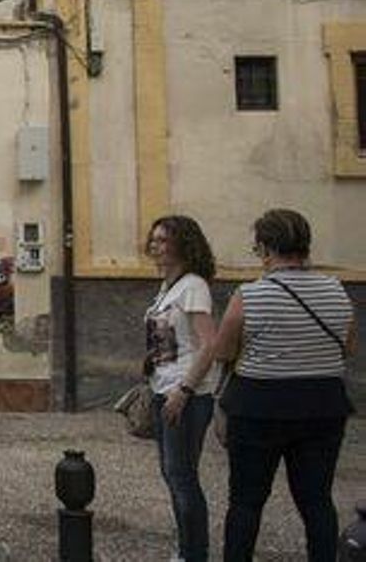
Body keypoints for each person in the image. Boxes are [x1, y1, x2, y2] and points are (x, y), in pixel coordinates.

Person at [178, 208, 356, 562]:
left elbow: (224, 350)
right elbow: (348, 347)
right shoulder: (336, 290)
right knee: (317, 500)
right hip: (323, 405)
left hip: (259, 407)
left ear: (265, 248)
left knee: (246, 501)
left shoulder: (251, 295)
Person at [137, 216, 219, 562]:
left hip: (185, 394)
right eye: (153, 240)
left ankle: (194, 553)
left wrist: (184, 389)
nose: (155, 246)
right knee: (172, 474)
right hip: (163, 386)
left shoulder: (193, 286)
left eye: (163, 240)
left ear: (184, 244)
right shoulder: (167, 287)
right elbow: (171, 340)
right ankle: (187, 548)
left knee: (182, 476)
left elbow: (209, 344)